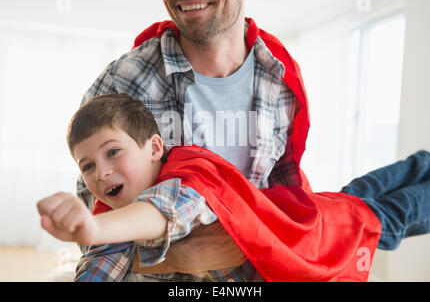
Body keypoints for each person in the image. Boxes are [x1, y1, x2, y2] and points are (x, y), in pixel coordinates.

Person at [74, 0, 430, 277]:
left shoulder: (278, 74)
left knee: (354, 207)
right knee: (374, 215)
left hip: (260, 257)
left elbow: (284, 184)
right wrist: (177, 258)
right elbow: (93, 223)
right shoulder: (123, 83)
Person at [37, 93, 430, 282]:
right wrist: (96, 235)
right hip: (313, 207)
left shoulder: (190, 179)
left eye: (112, 153)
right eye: (87, 166)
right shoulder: (113, 218)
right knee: (361, 190)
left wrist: (92, 229)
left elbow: (166, 211)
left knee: (396, 211)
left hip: (322, 233)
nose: (101, 173)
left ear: (155, 148)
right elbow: (102, 264)